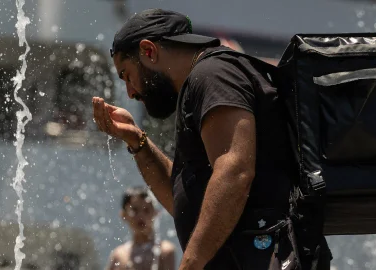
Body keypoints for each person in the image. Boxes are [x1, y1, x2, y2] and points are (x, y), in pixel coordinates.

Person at [93, 8, 330, 269]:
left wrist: (190, 264)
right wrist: (138, 141)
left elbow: (234, 171)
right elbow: (183, 202)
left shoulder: (213, 75)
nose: (129, 93)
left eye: (127, 75)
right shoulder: (200, 84)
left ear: (149, 51)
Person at [106, 186, 176, 270]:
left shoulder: (165, 251)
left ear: (156, 213)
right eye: (135, 210)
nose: (141, 216)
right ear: (124, 215)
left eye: (146, 210)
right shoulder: (118, 255)